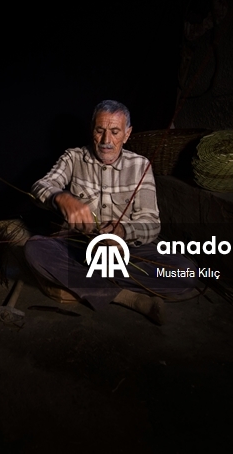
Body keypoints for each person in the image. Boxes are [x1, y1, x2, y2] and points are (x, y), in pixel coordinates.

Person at [24, 100, 197, 324]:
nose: (106, 141)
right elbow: (40, 187)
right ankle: (127, 297)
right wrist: (60, 197)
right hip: (80, 246)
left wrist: (124, 231)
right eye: (100, 131)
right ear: (92, 130)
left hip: (126, 253)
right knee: (35, 249)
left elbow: (152, 224)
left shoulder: (140, 165)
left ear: (127, 134)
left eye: (115, 132)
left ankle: (83, 283)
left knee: (187, 272)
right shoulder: (73, 157)